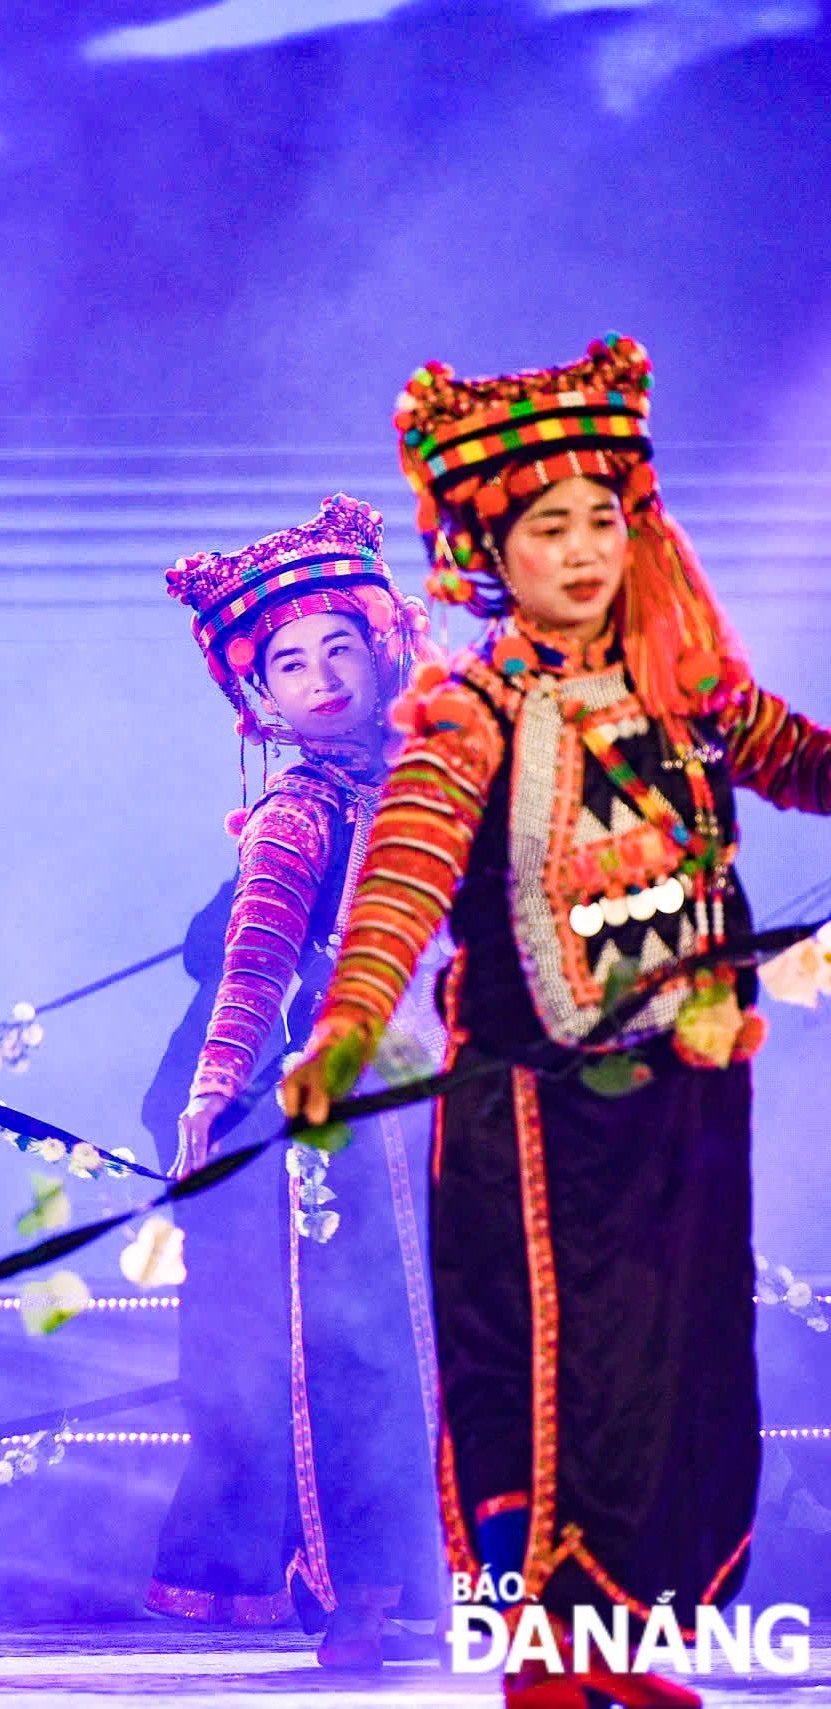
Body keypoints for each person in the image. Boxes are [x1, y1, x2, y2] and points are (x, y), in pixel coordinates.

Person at [282, 337, 831, 1709]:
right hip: (537, 1113)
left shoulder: (687, 689)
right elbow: (402, 872)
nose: (582, 552)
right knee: (556, 1373)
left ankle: (626, 1646)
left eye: (601, 521)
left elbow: (805, 765)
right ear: (492, 548)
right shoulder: (468, 711)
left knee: (679, 1366)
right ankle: (551, 1650)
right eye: (547, 528)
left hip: (686, 1102)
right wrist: (351, 1025)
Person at [146, 496, 447, 1667]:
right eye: (287, 661)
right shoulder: (297, 808)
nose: (318, 679)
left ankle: (497, 1576)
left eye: (338, 649)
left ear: (384, 648)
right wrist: (211, 1087)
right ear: (256, 694)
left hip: (478, 1099)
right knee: (364, 1349)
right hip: (361, 1121)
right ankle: (370, 1585)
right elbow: (254, 961)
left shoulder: (456, 779)